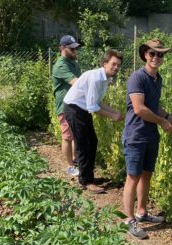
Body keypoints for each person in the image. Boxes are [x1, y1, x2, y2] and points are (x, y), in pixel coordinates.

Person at [122, 39, 172, 239]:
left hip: (150, 135)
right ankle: (129, 219)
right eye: (152, 53)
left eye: (160, 54)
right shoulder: (137, 77)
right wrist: (162, 122)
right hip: (135, 135)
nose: (156, 57)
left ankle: (142, 212)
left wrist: (167, 116)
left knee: (146, 175)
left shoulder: (157, 78)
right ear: (145, 54)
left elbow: (153, 106)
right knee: (133, 176)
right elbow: (139, 108)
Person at [63, 49, 124, 193]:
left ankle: (89, 176)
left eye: (118, 65)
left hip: (81, 108)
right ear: (104, 63)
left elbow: (97, 101)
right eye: (113, 64)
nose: (116, 68)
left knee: (92, 141)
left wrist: (114, 111)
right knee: (84, 144)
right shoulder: (96, 78)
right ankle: (86, 181)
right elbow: (93, 107)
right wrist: (112, 116)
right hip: (74, 108)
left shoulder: (105, 79)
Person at [52, 35, 81, 176]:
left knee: (75, 134)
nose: (75, 51)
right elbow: (76, 83)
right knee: (68, 136)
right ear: (63, 48)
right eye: (72, 48)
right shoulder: (61, 65)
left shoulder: (73, 63)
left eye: (76, 48)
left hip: (75, 104)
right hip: (64, 106)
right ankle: (70, 166)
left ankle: (75, 161)